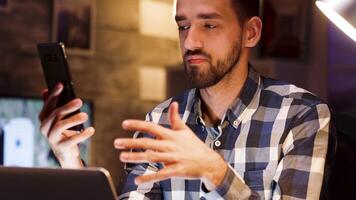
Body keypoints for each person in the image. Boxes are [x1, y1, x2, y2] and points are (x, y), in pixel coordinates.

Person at [39, 0, 336, 199]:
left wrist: (216, 171)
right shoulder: (160, 119)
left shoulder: (301, 115)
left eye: (209, 25)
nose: (190, 42)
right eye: (183, 26)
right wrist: (69, 159)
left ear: (251, 32)